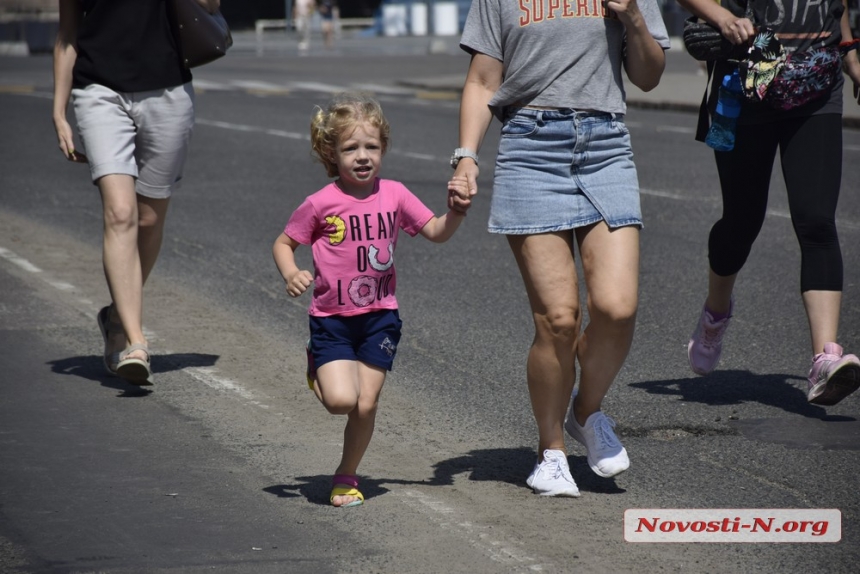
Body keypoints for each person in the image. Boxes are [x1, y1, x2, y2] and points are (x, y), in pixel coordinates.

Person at [452, 1, 669, 496]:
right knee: (558, 319)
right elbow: (484, 80)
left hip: (605, 145)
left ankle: (585, 411)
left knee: (616, 307)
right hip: (529, 148)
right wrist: (466, 157)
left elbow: (650, 76)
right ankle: (551, 451)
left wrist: (633, 17)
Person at [272, 93, 471, 507]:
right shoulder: (320, 203)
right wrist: (292, 272)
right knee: (340, 401)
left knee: (366, 403)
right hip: (332, 319)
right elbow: (284, 243)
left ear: (383, 148)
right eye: (350, 148)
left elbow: (435, 230)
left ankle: (347, 476)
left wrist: (456, 213)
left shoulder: (395, 194)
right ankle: (318, 365)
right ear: (332, 153)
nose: (362, 156)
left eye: (372, 147)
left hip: (381, 316)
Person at [679, 0, 860, 406]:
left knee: (816, 221)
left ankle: (824, 359)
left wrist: (850, 55)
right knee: (742, 221)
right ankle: (716, 313)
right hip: (747, 86)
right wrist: (723, 18)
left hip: (817, 86)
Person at [53, 0, 219, 385]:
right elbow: (67, 34)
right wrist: (59, 110)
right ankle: (136, 340)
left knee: (148, 218)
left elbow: (210, 5)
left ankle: (114, 318)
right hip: (98, 91)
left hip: (169, 91)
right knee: (121, 213)